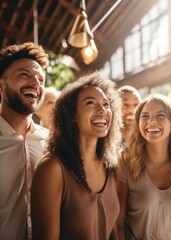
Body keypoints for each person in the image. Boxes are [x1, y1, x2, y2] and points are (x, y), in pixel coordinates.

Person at [31, 71, 123, 239]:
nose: (102, 110)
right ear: (71, 115)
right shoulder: (52, 169)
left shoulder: (110, 167)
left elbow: (114, 231)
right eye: (91, 103)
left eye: (106, 104)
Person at [116, 93, 171, 240]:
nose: (151, 122)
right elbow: (118, 223)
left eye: (160, 116)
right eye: (145, 116)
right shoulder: (126, 163)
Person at [0, 42, 49, 240]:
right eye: (24, 75)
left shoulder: (52, 142)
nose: (35, 83)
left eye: (41, 80)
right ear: (1, 85)